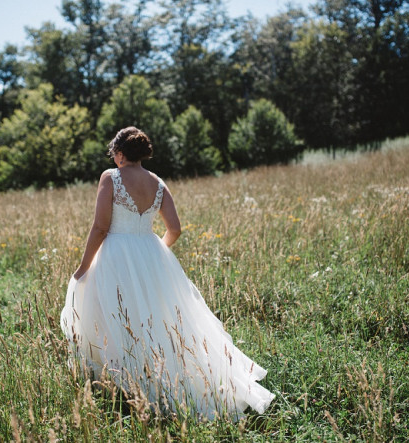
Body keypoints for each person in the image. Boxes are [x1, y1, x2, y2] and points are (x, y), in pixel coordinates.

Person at [60, 127, 274, 421]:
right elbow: (175, 228)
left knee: (113, 315)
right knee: (157, 320)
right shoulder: (158, 183)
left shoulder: (110, 177)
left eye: (114, 153)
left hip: (115, 255)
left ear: (120, 153)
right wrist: (153, 252)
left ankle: (123, 384)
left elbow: (99, 227)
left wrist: (82, 268)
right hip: (151, 253)